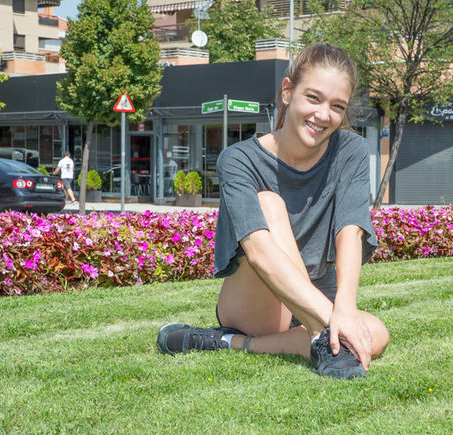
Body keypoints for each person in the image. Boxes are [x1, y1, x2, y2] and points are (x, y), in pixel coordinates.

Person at [157, 44, 389, 379]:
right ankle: (321, 331)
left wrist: (347, 309)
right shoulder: (238, 160)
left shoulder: (350, 149)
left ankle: (227, 343)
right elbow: (259, 252)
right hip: (259, 304)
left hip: (318, 297)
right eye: (313, 98)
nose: (323, 115)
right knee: (269, 203)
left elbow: (349, 229)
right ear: (287, 92)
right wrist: (336, 318)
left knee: (377, 332)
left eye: (337, 106)